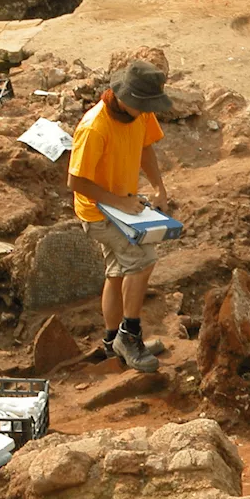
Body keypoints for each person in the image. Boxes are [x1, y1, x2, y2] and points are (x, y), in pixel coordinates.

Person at [68, 60, 173, 372]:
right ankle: (129, 336)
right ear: (127, 98)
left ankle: (111, 341)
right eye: (145, 105)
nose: (148, 111)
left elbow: (145, 148)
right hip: (98, 212)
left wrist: (159, 187)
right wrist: (118, 202)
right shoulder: (94, 127)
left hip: (122, 206)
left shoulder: (139, 112)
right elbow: (76, 181)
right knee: (144, 260)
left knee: (116, 273)